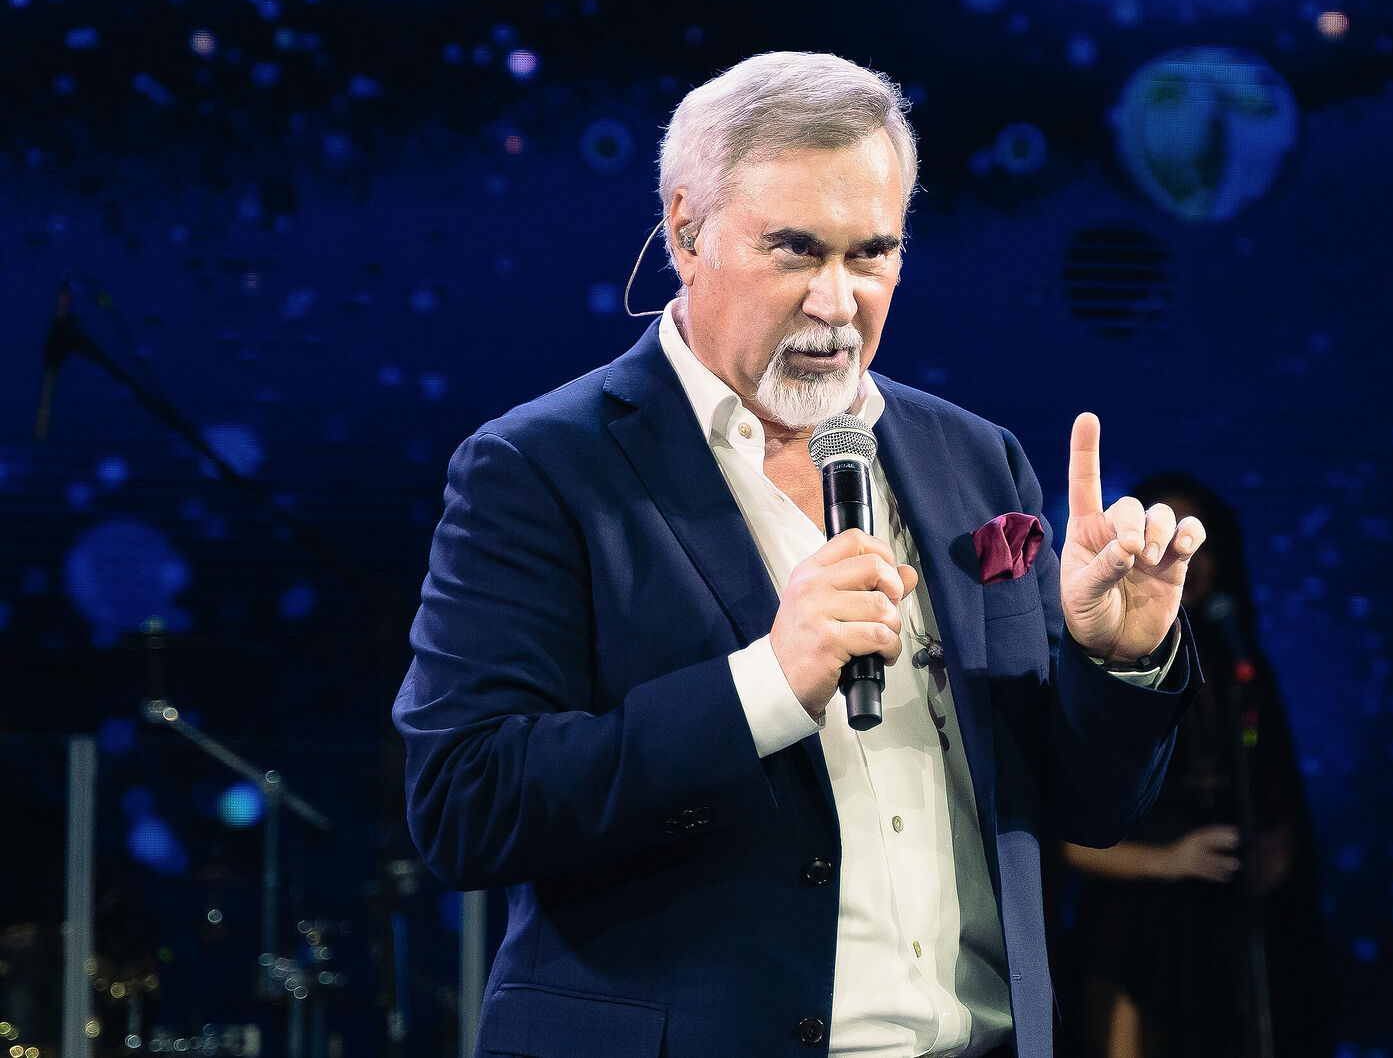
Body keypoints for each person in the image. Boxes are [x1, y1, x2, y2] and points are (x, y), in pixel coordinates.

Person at [394, 52, 1208, 1058]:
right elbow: (465, 804)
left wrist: (1114, 661)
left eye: (871, 254)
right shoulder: (541, 467)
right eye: (795, 250)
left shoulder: (975, 458)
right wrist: (766, 686)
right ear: (686, 231)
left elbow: (1086, 809)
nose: (836, 302)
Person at [1061, 472, 1329, 1058]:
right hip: (1133, 925)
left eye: (1200, 544)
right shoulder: (1096, 659)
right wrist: (1171, 859)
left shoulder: (1240, 664)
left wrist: (1282, 846)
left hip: (1224, 919)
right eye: (1165, 541)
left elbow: (1277, 781)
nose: (1187, 561)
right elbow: (1062, 835)